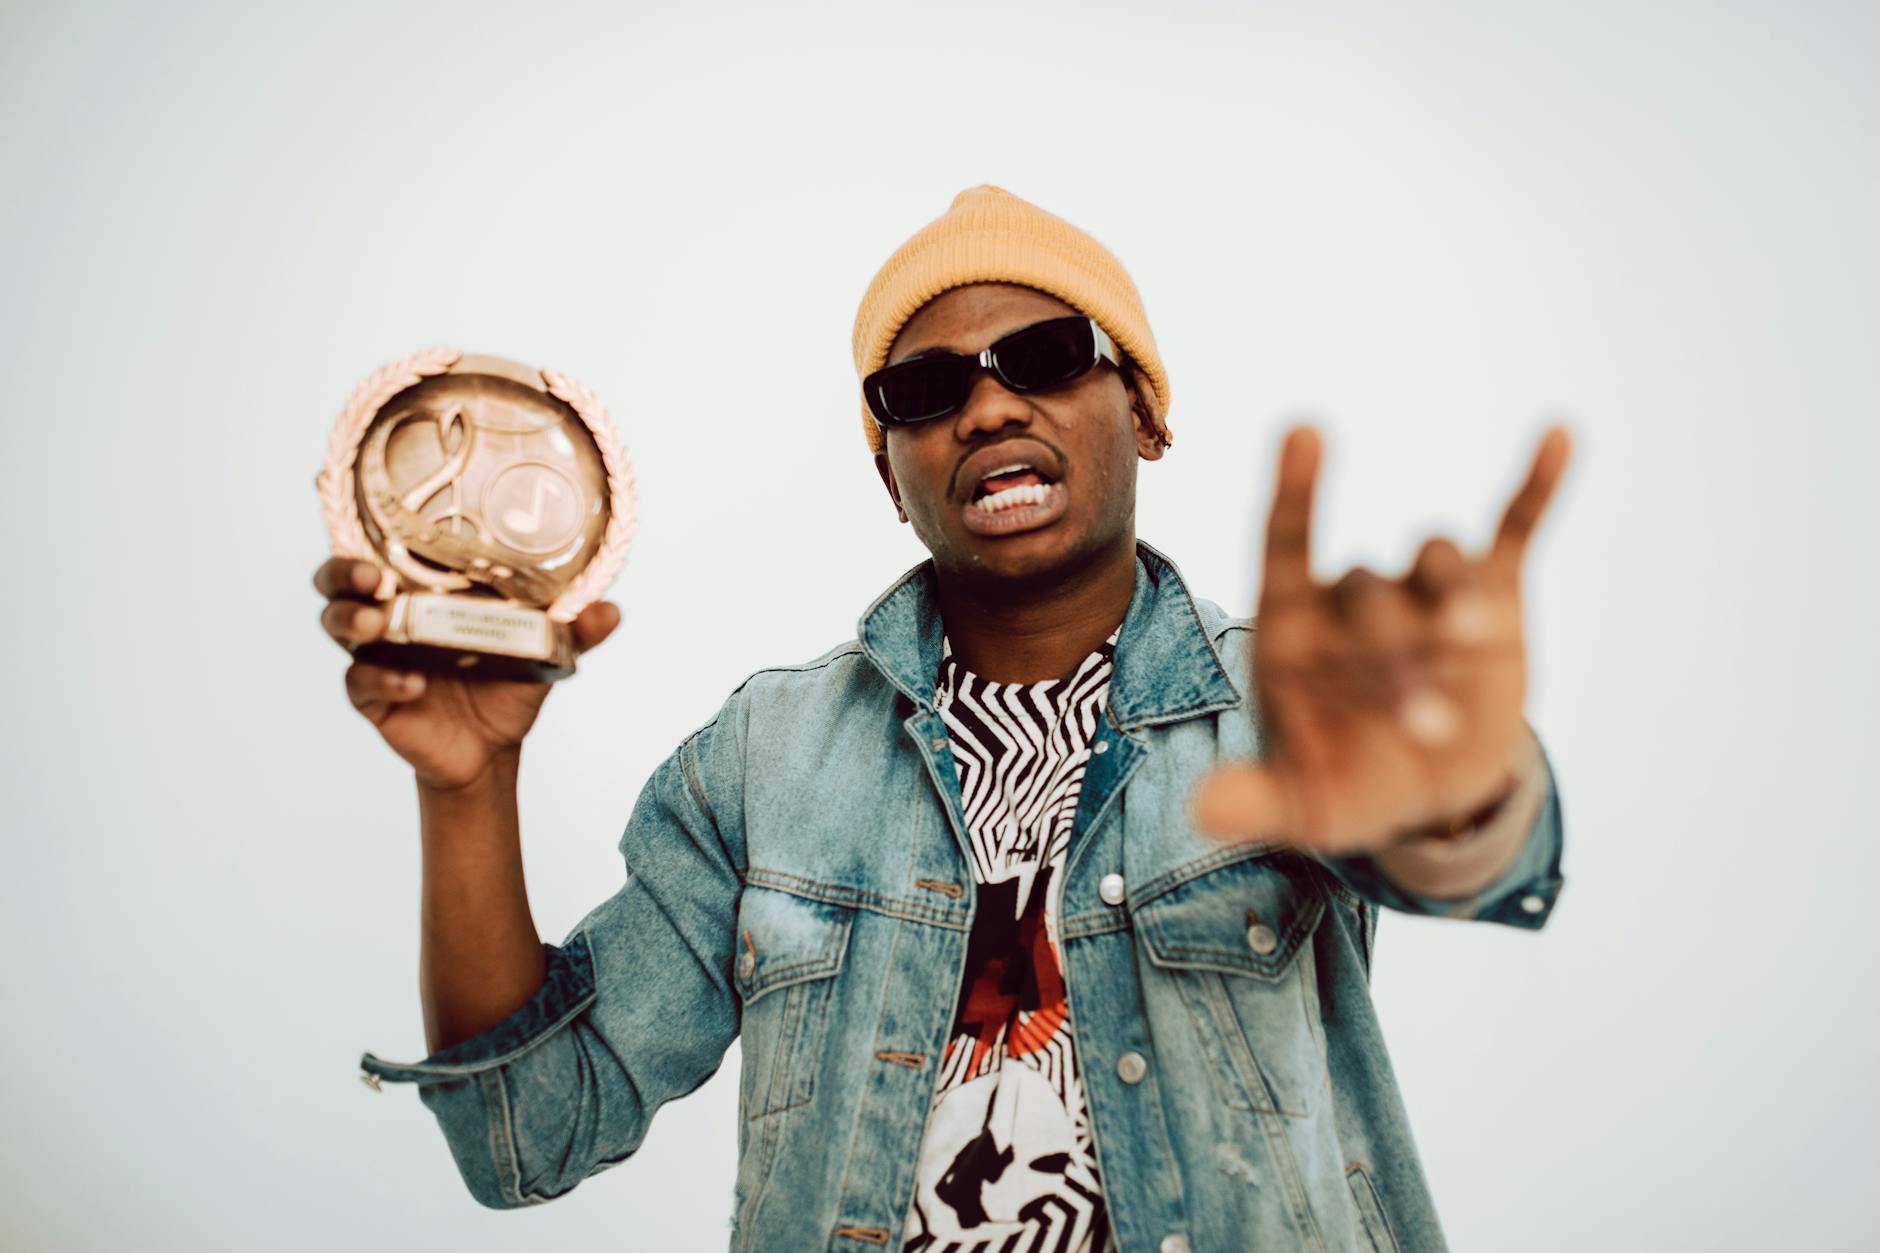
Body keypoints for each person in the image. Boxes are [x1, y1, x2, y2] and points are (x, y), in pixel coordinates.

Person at [318, 184, 1570, 1253]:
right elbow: (525, 1130)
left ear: (1141, 410)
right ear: (889, 473)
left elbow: (1461, 852)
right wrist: (466, 784)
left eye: (1043, 357)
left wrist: (1451, 793)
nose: (985, 410)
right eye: (923, 389)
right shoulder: (765, 762)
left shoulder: (1282, 706)